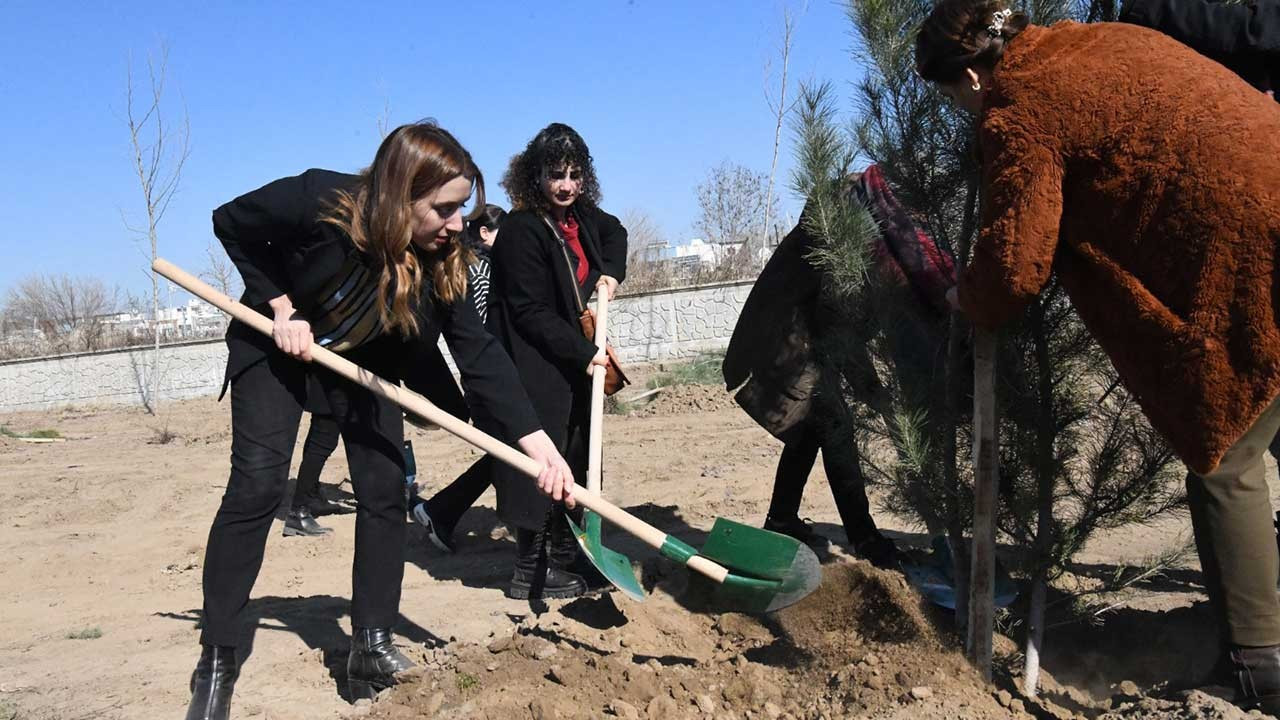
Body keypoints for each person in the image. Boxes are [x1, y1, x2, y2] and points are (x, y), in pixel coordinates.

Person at [915, 0, 1280, 711]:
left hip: (1252, 258)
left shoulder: (1019, 106)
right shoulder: (1099, 41)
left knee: (1227, 458)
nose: (961, 112)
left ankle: (1261, 665)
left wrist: (971, 297)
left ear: (971, 77)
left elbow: (1016, 265)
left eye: (954, 97)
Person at [186, 121, 577, 720]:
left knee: (384, 490)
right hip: (277, 348)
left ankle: (370, 645)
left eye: (463, 208)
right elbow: (231, 220)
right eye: (445, 208)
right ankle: (218, 657)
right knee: (258, 486)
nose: (457, 223)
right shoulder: (323, 200)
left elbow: (479, 354)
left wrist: (538, 444)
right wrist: (283, 308)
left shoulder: (443, 257)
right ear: (402, 196)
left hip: (361, 359)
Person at [487, 123, 627, 600]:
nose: (565, 185)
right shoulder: (522, 231)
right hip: (532, 362)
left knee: (577, 456)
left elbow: (616, 233)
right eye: (555, 175)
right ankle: (530, 569)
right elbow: (527, 312)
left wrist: (610, 277)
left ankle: (568, 557)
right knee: (541, 463)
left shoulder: (582, 218)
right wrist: (586, 353)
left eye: (573, 174)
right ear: (536, 177)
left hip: (571, 359)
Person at [411, 204, 506, 552]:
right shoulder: (475, 269)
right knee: (508, 455)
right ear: (484, 233)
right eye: (502, 234)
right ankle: (440, 511)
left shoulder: (481, 265)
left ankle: (440, 511)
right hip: (488, 375)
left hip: (487, 374)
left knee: (509, 454)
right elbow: (481, 329)